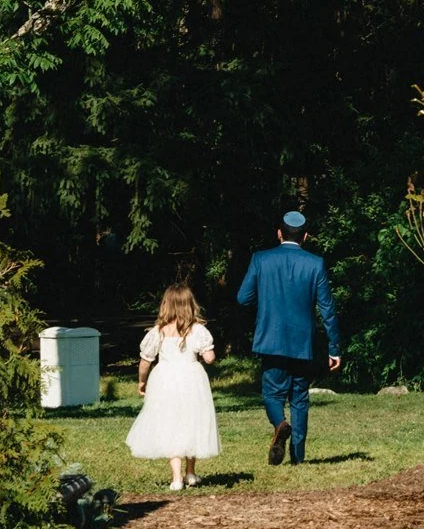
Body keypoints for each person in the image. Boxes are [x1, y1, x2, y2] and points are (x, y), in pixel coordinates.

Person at [236, 210, 342, 466]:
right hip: (302, 343)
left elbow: (242, 298)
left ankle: (280, 425)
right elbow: (327, 309)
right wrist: (334, 348)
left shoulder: (261, 259)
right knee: (300, 398)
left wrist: (266, 300)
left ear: (279, 233)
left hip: (270, 339)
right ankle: (298, 457)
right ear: (305, 236)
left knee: (272, 394)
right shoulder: (315, 264)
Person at [126, 282, 221, 490]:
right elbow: (210, 358)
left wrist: (142, 381)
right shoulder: (197, 330)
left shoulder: (158, 331)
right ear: (190, 304)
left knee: (171, 423)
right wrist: (207, 353)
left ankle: (176, 477)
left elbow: (145, 361)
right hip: (192, 378)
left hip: (165, 379)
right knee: (192, 421)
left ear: (165, 305)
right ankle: (191, 473)